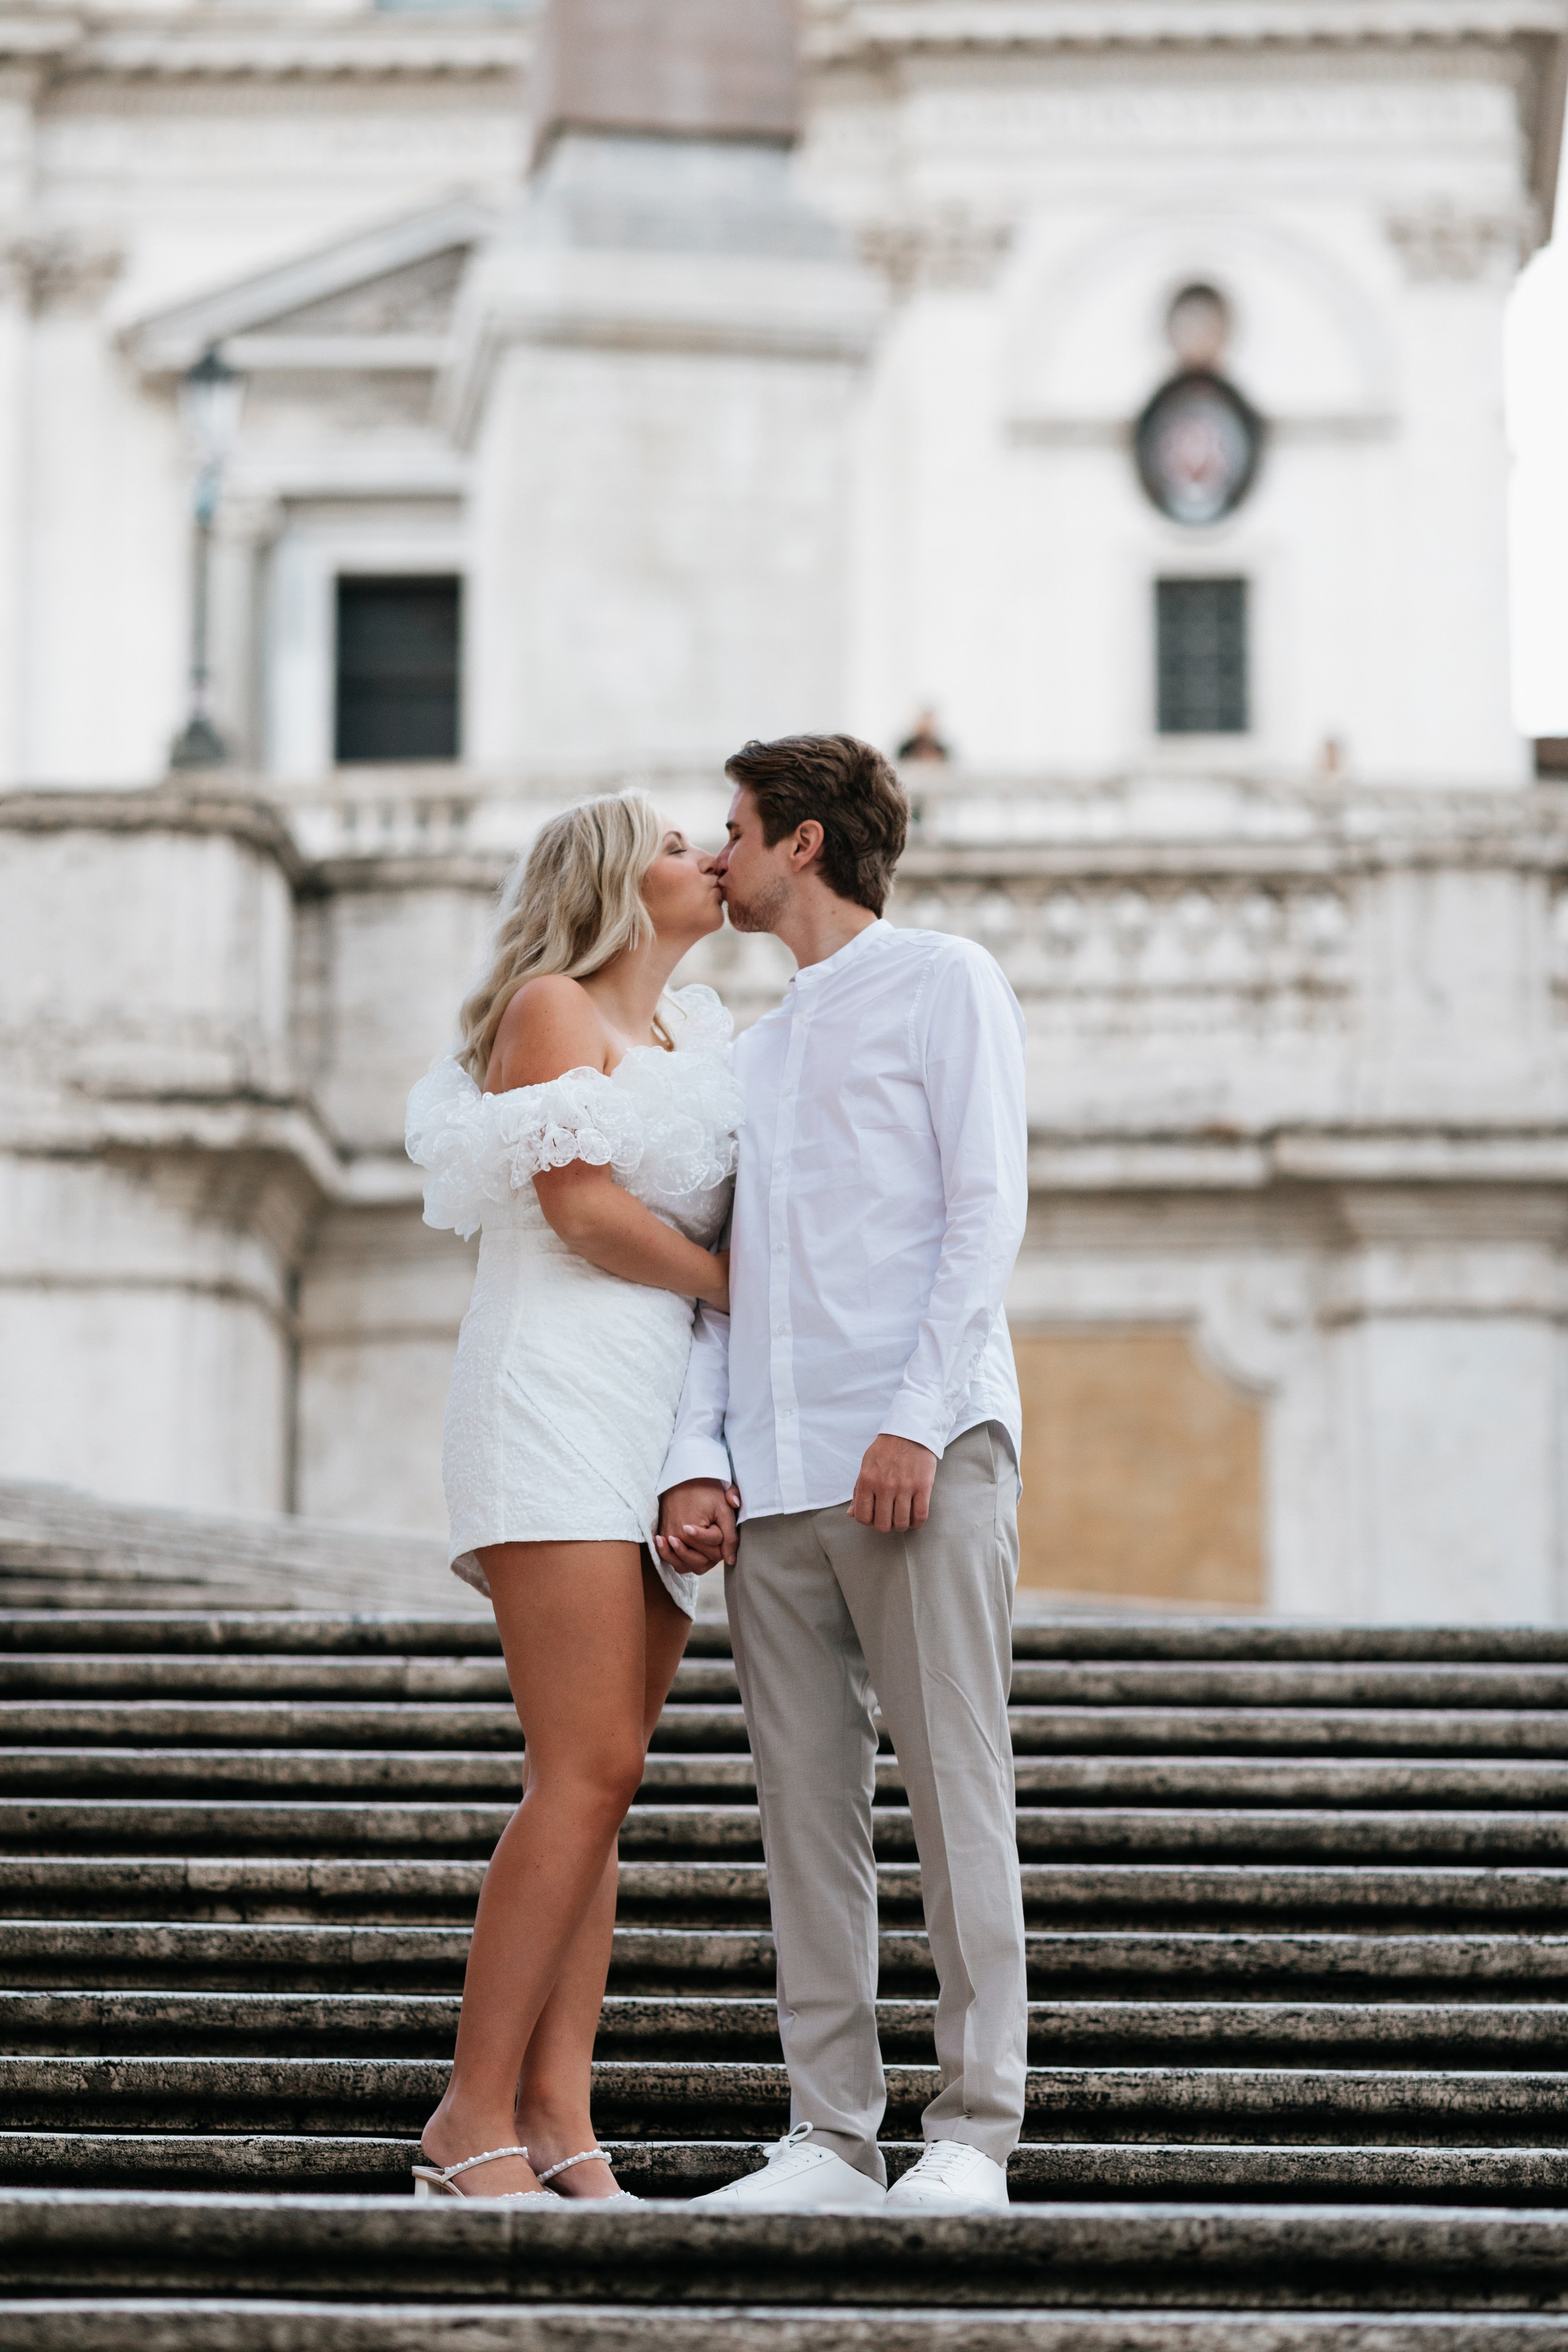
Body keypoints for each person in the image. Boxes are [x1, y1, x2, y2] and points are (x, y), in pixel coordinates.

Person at [656, 733, 1028, 2217]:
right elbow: (718, 1284)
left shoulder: (944, 982)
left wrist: (914, 1420)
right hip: (774, 1478)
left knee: (954, 1788)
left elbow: (983, 1209)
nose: (717, 852)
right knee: (801, 1813)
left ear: (802, 841)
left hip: (916, 1455)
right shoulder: (748, 1053)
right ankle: (829, 2136)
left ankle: (973, 2133)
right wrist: (698, 1460)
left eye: (735, 829)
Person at [404, 791, 741, 2204]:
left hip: (648, 1412)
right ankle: (466, 2118)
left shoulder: (695, 1038)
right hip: (549, 1393)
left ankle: (559, 2118)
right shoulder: (551, 1007)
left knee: (606, 1784)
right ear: (610, 879)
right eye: (673, 843)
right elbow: (584, 1210)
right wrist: (750, 1292)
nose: (707, 855)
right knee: (584, 1768)